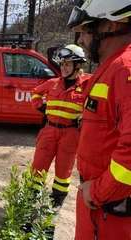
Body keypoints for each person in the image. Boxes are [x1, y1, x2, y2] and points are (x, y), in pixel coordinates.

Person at [67, 0, 131, 239]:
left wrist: (99, 191)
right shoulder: (112, 68)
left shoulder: (124, 70)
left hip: (111, 210)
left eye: (84, 31)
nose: (81, 41)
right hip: (98, 205)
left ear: (111, 25)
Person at [31, 44, 90, 208]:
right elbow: (35, 92)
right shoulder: (52, 83)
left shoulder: (87, 84)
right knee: (38, 167)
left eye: (68, 64)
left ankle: (54, 206)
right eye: (62, 64)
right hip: (49, 131)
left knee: (63, 172)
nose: (63, 68)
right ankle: (30, 203)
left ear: (77, 66)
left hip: (71, 134)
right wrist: (41, 107)